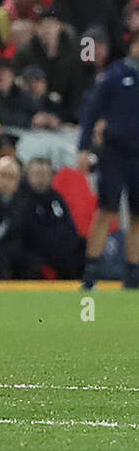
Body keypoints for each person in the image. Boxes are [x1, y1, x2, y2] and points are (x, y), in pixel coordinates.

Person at [77, 30, 139, 289]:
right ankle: (91, 271)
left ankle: (133, 273)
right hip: (114, 152)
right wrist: (83, 147)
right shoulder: (115, 75)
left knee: (138, 215)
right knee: (107, 209)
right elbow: (91, 110)